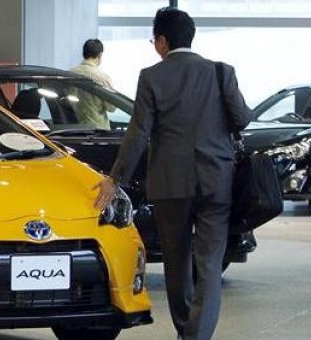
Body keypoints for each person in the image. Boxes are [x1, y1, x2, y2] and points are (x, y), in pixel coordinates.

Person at [93, 7, 252, 340]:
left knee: (177, 262)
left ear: (163, 41)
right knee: (209, 264)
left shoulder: (151, 76)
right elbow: (242, 119)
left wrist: (114, 179)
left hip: (171, 182)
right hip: (215, 181)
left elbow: (138, 133)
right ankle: (196, 335)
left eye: (154, 39)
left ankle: (186, 332)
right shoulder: (221, 72)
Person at [70, 39, 115, 130]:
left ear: (84, 54)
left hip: (72, 130)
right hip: (98, 133)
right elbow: (111, 108)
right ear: (100, 55)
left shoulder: (68, 74)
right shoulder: (103, 78)